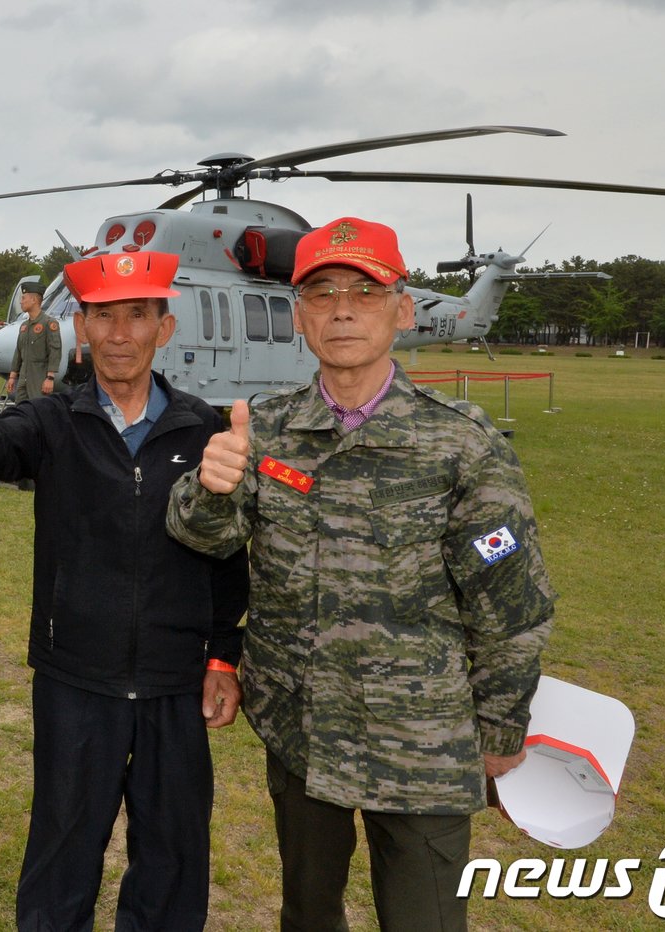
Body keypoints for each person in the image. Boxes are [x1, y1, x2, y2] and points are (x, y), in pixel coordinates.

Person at [165, 216, 555, 931]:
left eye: (364, 292)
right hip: (300, 726)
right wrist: (207, 487)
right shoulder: (269, 430)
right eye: (321, 293)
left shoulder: (461, 444)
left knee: (425, 919)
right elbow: (205, 540)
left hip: (423, 740)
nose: (342, 309)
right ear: (299, 316)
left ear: (402, 310)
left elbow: (512, 602)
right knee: (308, 912)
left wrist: (501, 726)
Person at [0, 251, 249, 931]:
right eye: (103, 316)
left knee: (171, 864)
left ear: (163, 329)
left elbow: (228, 558)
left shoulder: (202, 430)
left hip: (174, 684)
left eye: (136, 315)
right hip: (75, 679)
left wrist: (224, 656)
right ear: (81, 325)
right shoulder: (53, 422)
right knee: (61, 860)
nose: (118, 333)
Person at [4, 280, 60, 402]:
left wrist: (50, 378)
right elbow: (18, 352)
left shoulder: (49, 323)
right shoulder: (24, 326)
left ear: (34, 300)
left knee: (39, 411)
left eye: (24, 298)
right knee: (21, 411)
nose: (21, 301)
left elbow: (55, 351)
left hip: (39, 377)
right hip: (23, 377)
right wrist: (12, 377)